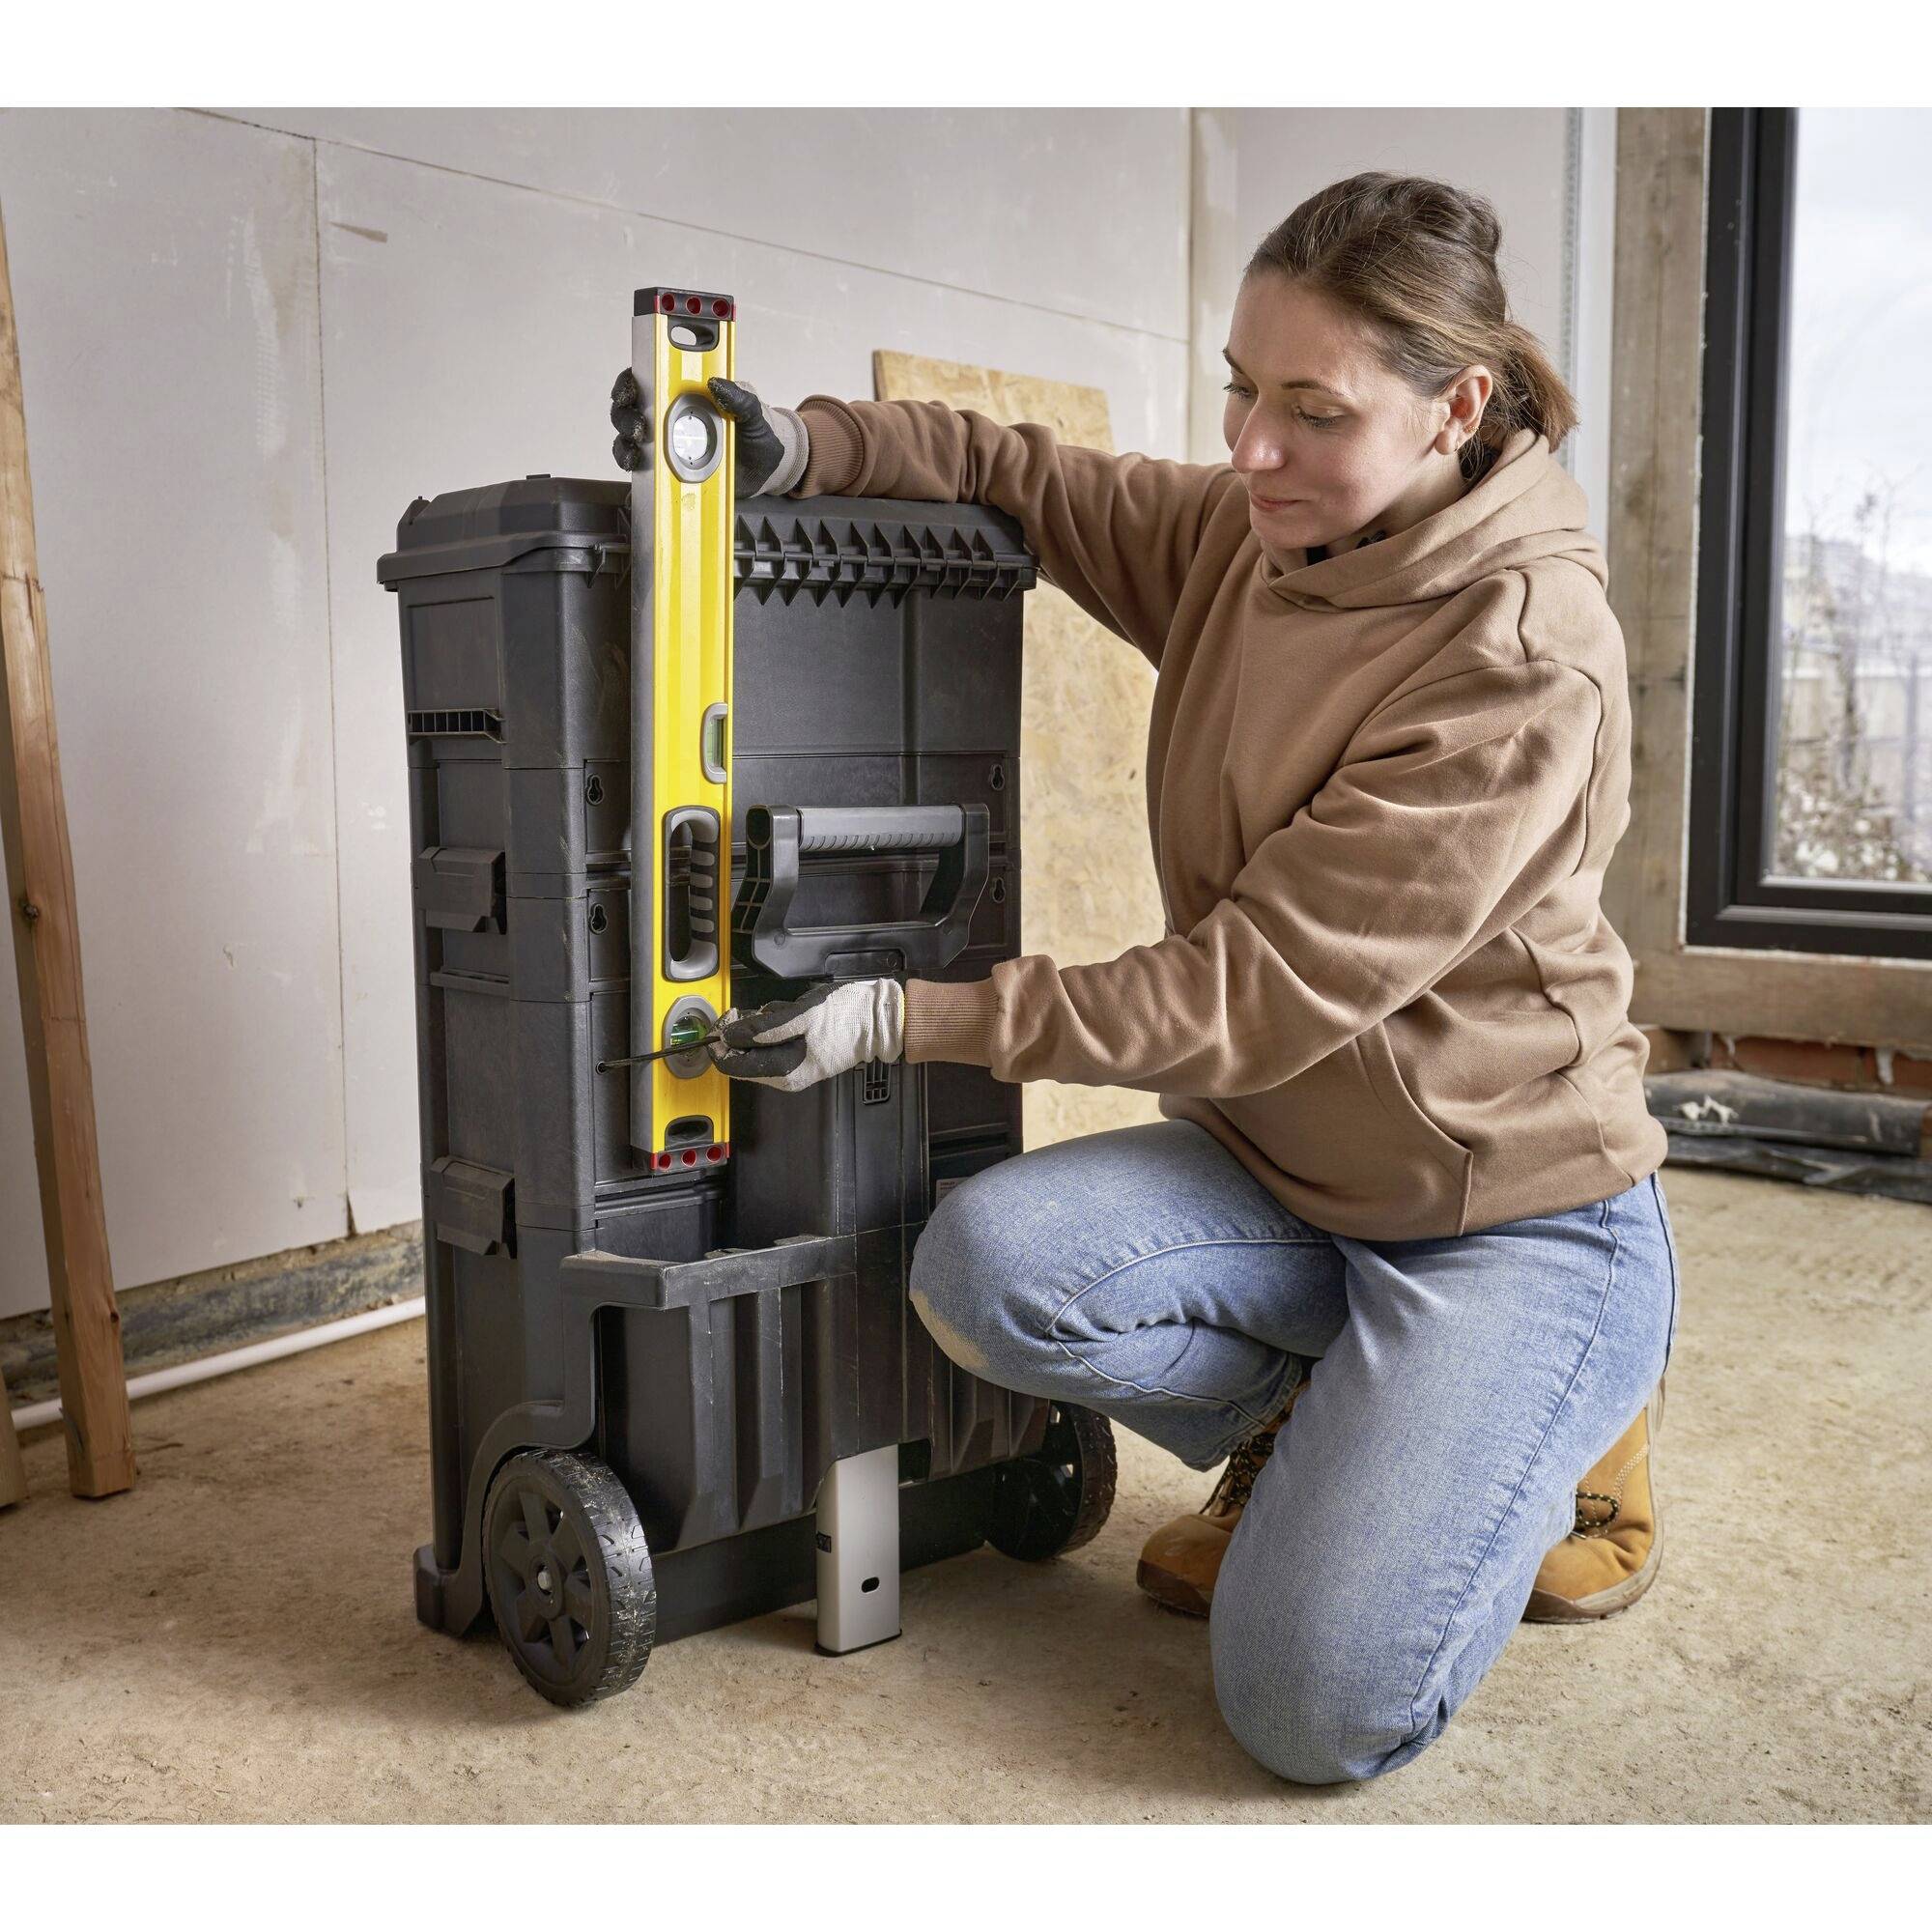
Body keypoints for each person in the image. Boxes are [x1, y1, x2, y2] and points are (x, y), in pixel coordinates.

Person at [656, 171, 1681, 1785]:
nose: (1250, 446)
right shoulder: (1250, 534)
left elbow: (1246, 994)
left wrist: (906, 1019)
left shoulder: (1518, 658)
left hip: (1508, 1220)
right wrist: (796, 445)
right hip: (1284, 1176)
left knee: (1309, 1706)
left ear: (1454, 408)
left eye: (1309, 407)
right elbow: (1025, 477)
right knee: (985, 1269)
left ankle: (1559, 1418)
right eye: (1237, 386)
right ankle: (1327, 1417)